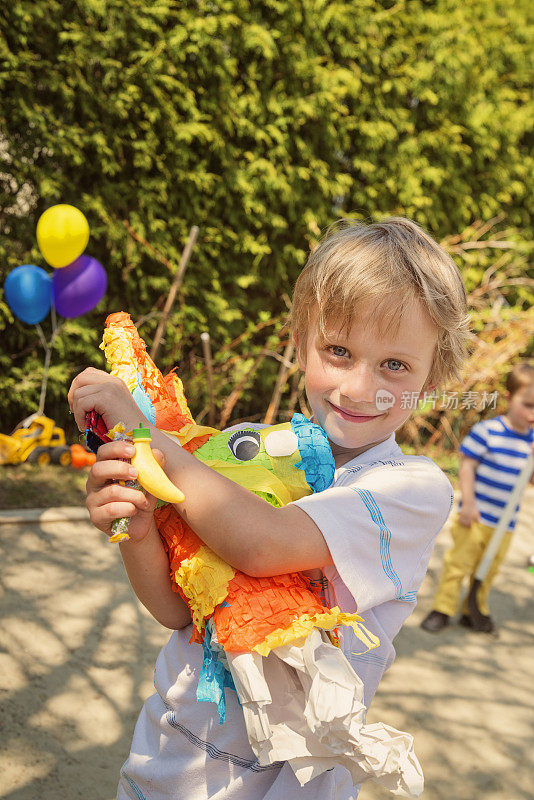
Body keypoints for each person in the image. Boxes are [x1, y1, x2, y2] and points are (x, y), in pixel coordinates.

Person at [68, 217, 469, 800]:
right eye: (338, 350)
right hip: (166, 761)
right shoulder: (245, 448)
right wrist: (140, 524)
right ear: (301, 339)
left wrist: (155, 444)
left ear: (432, 377)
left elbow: (263, 545)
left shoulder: (409, 487)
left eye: (395, 365)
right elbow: (180, 611)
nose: (358, 387)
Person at [421, 363, 534, 636]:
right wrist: (468, 503)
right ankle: (443, 609)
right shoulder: (489, 432)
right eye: (528, 404)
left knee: (490, 568)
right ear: (508, 398)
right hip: (476, 515)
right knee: (458, 563)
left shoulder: (531, 443)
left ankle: (474, 610)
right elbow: (467, 467)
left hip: (504, 523)